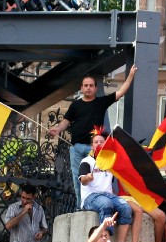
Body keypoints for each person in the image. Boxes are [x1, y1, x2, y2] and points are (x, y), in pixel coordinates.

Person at [49, 65, 137, 209]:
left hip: (95, 149)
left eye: (91, 85)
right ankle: (81, 207)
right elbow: (66, 121)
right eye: (86, 86)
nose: (88, 88)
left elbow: (121, 92)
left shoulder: (101, 102)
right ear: (81, 88)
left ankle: (98, 204)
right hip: (77, 148)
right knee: (78, 179)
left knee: (99, 179)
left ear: (96, 88)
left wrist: (131, 74)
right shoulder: (75, 105)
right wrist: (58, 129)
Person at [79, 132, 143, 242]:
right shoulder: (87, 161)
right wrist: (88, 177)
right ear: (92, 146)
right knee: (106, 203)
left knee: (125, 207)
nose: (99, 144)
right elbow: (83, 180)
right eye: (96, 142)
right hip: (91, 197)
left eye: (101, 142)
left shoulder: (110, 162)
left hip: (108, 194)